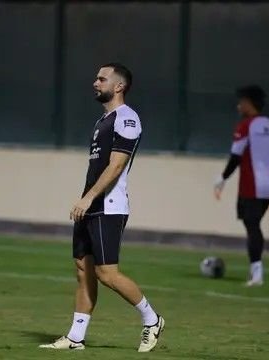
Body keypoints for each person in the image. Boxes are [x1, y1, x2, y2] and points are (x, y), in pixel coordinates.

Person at [40, 63, 164, 352]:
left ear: (118, 86)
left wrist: (89, 197)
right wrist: (86, 198)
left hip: (108, 205)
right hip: (91, 204)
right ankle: (75, 338)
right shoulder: (102, 121)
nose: (95, 83)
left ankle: (152, 319)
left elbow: (117, 165)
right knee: (83, 269)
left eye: (101, 79)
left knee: (107, 273)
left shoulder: (127, 118)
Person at [214, 85, 269, 286]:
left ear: (248, 103)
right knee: (254, 226)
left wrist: (222, 178)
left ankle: (257, 273)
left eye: (241, 102)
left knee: (252, 226)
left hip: (251, 185)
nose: (238, 106)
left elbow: (236, 157)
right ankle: (255, 271)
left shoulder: (245, 126)